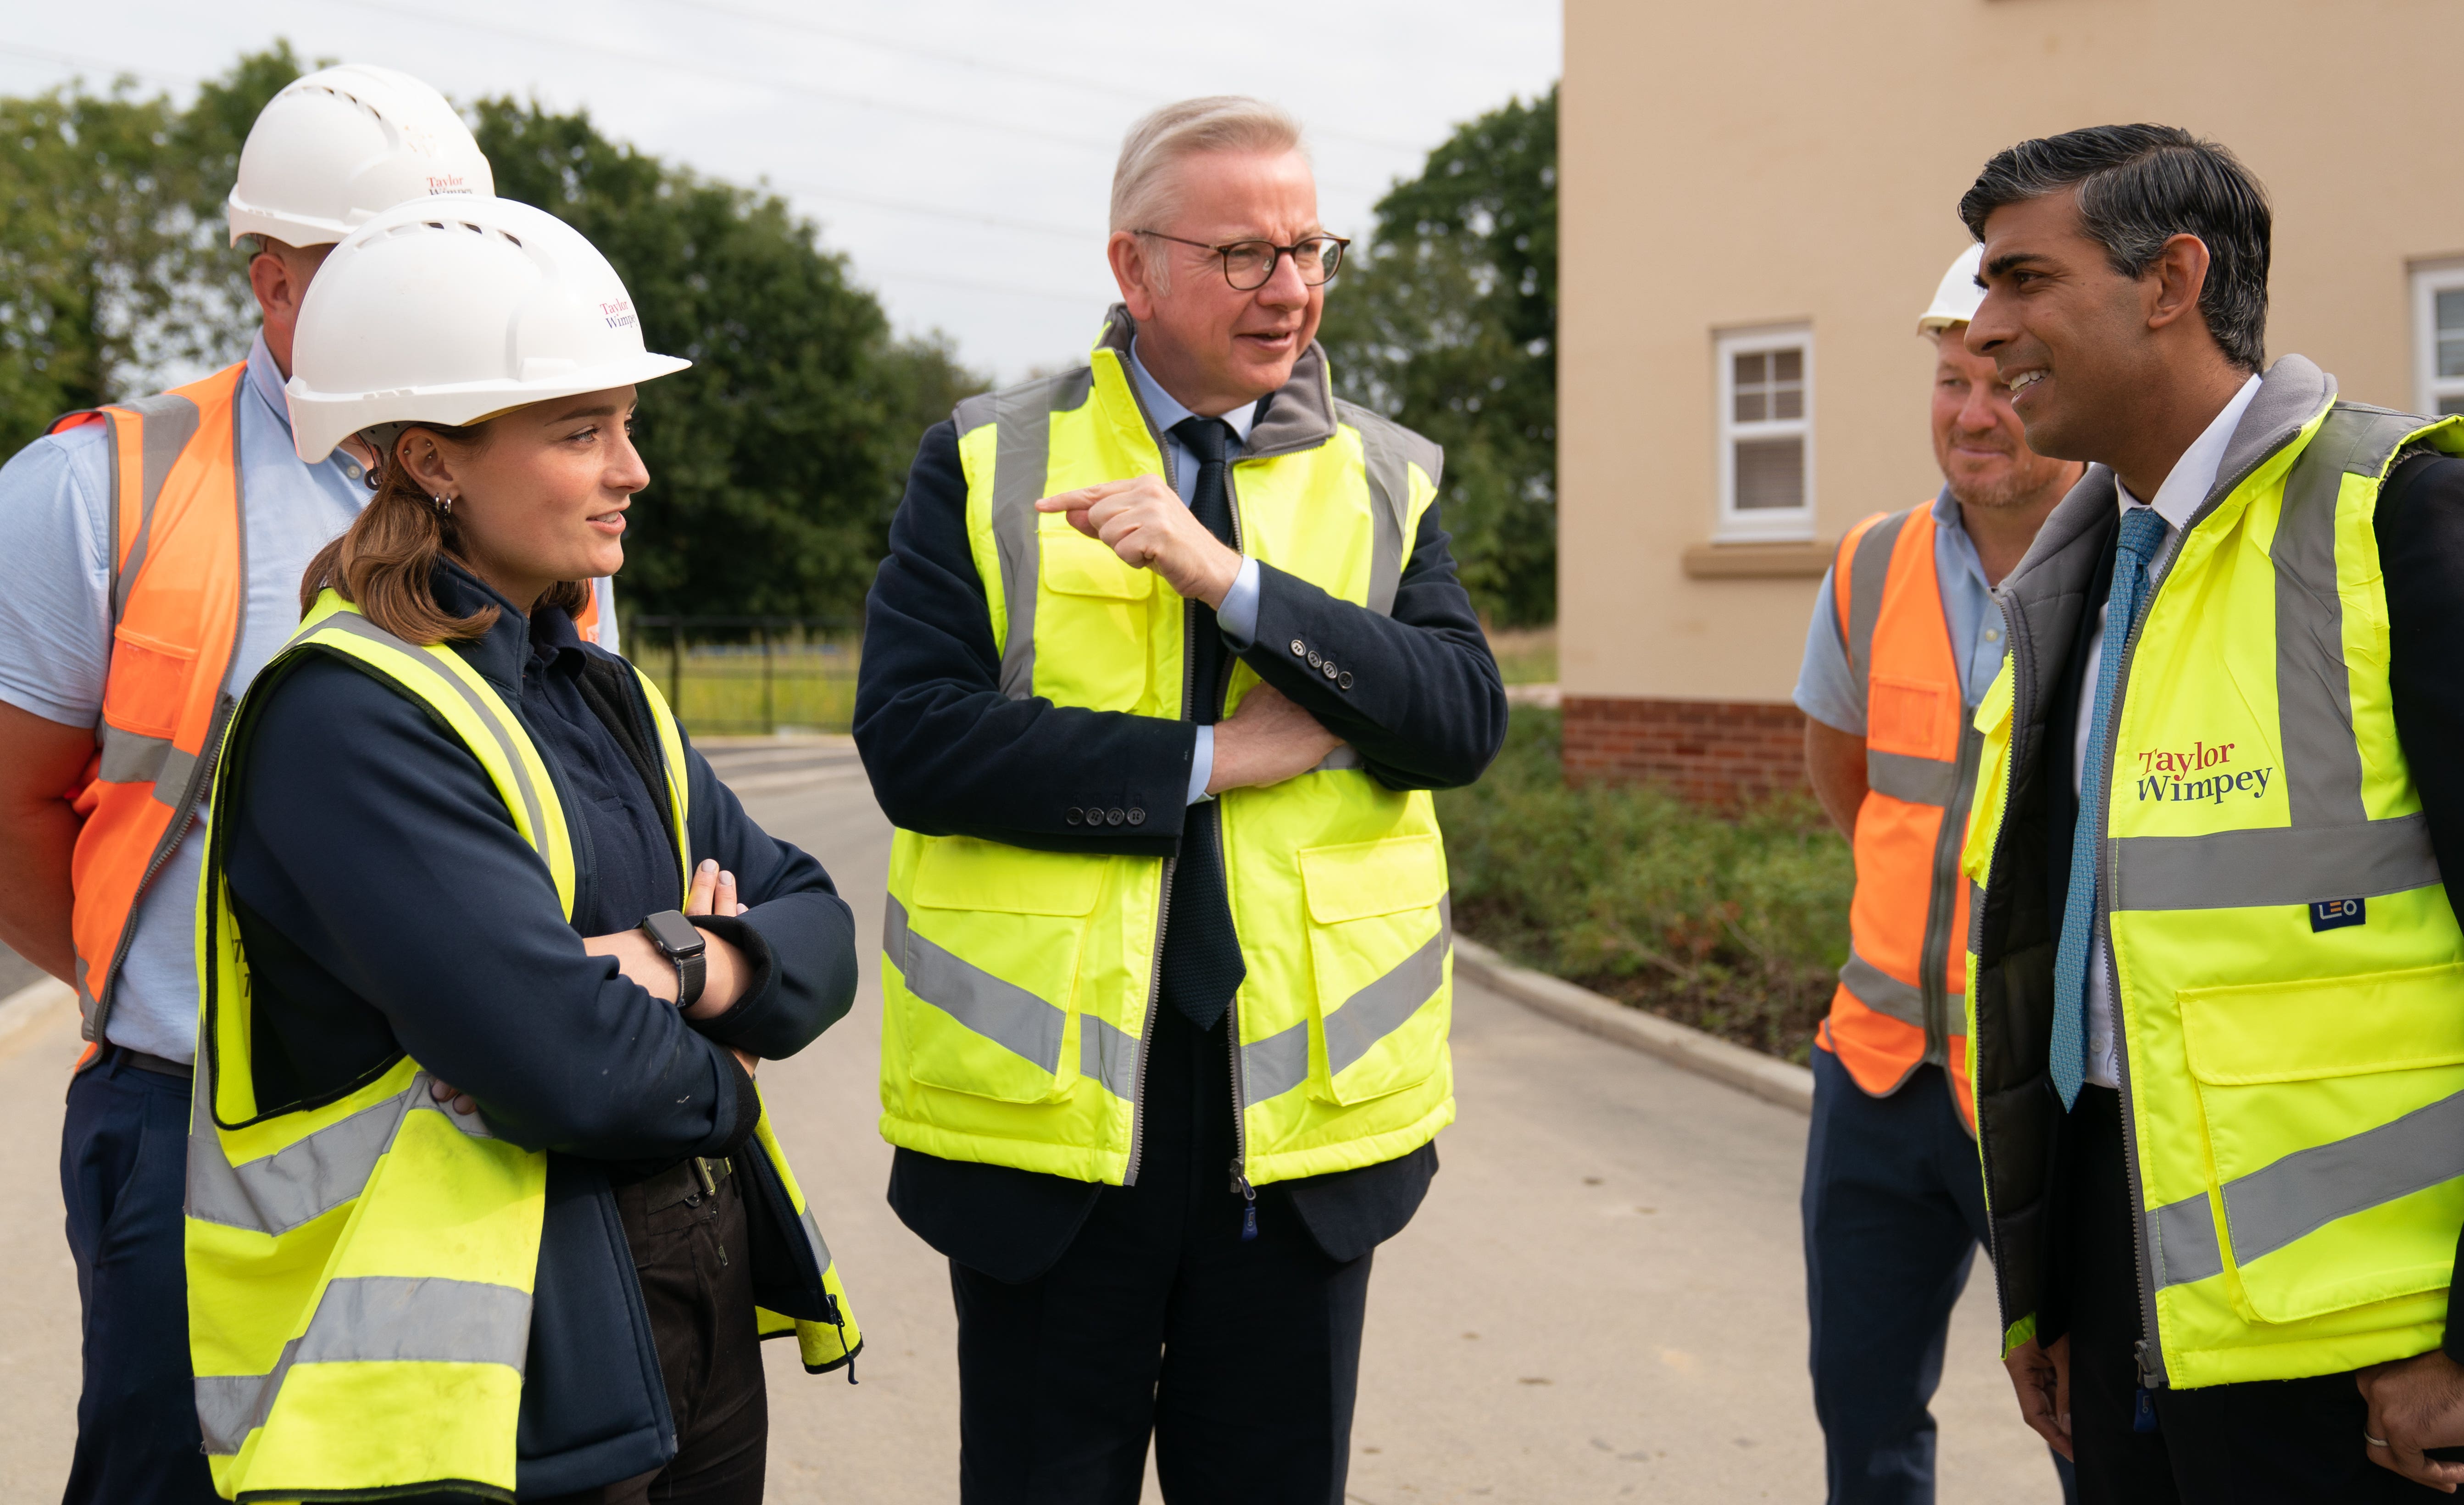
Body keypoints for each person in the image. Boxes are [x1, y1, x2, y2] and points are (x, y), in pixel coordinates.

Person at [1954, 125, 2464, 1500]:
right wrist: (2050, 1292)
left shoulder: (2399, 515)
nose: (1986, 332)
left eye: (2021, 282)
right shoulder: (2078, 569)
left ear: (2171, 280)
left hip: (2355, 1367)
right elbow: (2079, 966)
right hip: (2125, 1304)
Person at [855, 95, 1508, 1503]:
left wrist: (1233, 584)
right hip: (1056, 1136)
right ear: (1132, 267)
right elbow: (915, 745)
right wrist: (1207, 763)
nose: (1289, 289)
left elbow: (1457, 718)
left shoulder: (1385, 476)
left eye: (1308, 248)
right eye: (1244, 256)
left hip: (1299, 1140)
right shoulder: (987, 459)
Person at [0, 64, 616, 1505]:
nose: (431, 301)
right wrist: (148, 1006)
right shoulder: (98, 493)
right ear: (274, 283)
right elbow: (12, 811)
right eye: (376, 266)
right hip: (196, 1127)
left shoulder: (536, 480)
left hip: (486, 1119)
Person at [185, 194, 861, 1504]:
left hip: (682, 1317)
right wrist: (729, 1041)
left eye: (626, 426)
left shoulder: (592, 685)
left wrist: (670, 965)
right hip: (493, 1395)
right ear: (436, 459)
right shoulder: (350, 718)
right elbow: (574, 1070)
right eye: (580, 431)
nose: (634, 471)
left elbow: (823, 926)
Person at [1793, 245, 2082, 1504]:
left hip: (2058, 1095)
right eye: (1955, 380)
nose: (1976, 415)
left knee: (2095, 1436)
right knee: (1863, 1425)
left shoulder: (2144, 573)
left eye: (2011, 382)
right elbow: (1849, 788)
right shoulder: (1869, 563)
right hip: (1876, 1075)